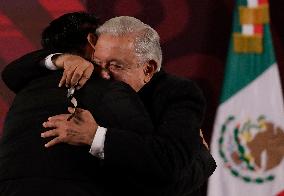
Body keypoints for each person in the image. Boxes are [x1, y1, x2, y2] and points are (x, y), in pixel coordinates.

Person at [2, 14, 216, 196]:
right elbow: (12, 73)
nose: (103, 74)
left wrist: (94, 135)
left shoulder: (177, 94)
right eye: (97, 63)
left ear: (148, 69)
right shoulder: (94, 84)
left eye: (115, 65)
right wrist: (63, 59)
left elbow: (168, 170)